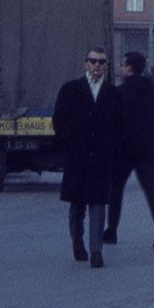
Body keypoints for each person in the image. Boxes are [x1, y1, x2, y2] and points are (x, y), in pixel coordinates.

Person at [52, 46, 120, 267]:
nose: (97, 65)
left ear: (107, 66)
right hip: (77, 157)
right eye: (93, 61)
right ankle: (77, 242)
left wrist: (111, 147)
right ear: (85, 64)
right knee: (77, 206)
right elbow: (59, 120)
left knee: (98, 204)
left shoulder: (113, 94)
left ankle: (96, 251)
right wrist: (69, 142)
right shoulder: (71, 89)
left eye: (101, 62)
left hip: (101, 158)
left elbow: (121, 125)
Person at [107, 51, 154, 249]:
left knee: (115, 191)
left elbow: (114, 123)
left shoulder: (120, 93)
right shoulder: (152, 92)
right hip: (146, 151)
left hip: (124, 151)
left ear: (130, 68)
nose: (121, 68)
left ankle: (112, 230)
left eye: (124, 65)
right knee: (152, 191)